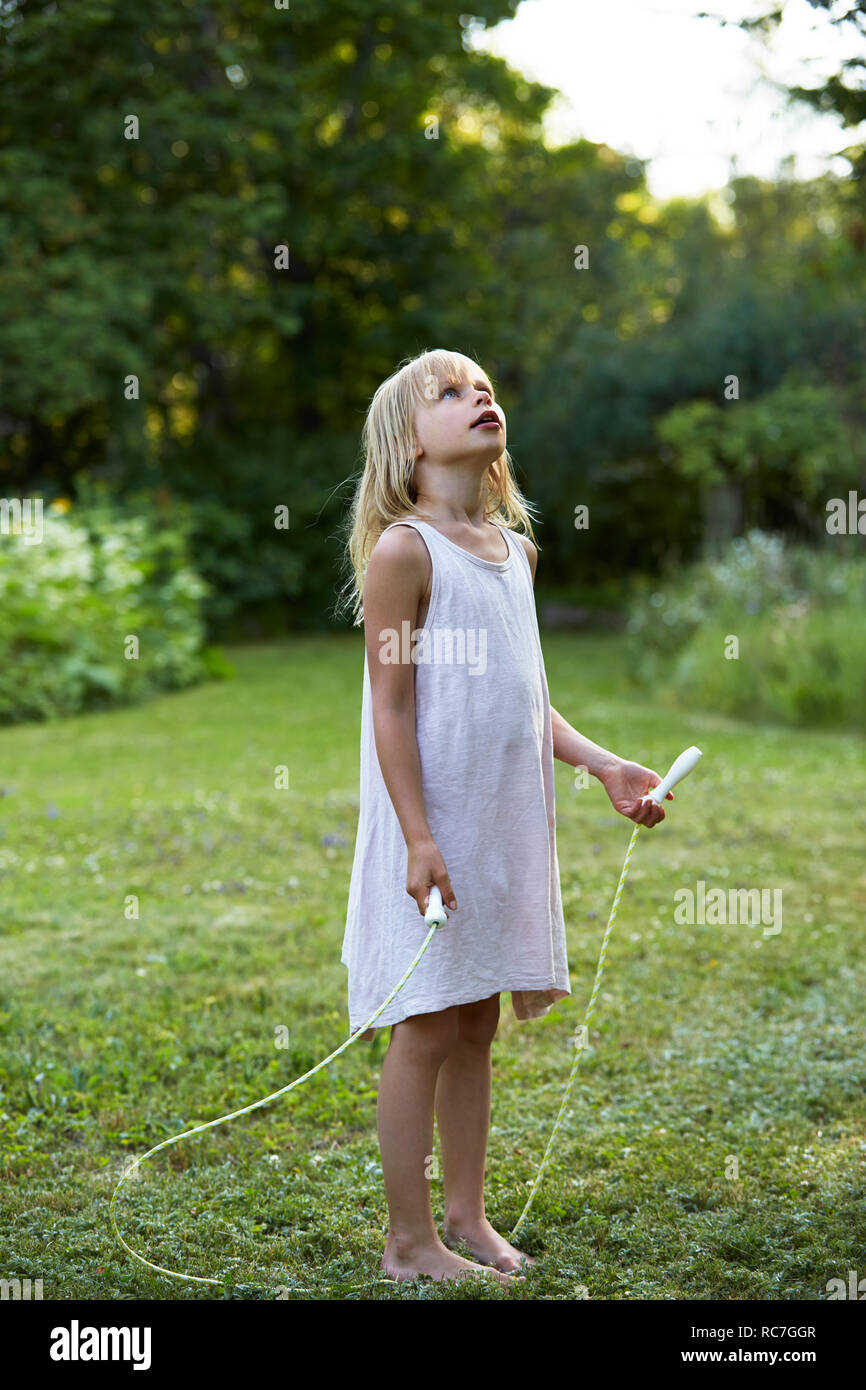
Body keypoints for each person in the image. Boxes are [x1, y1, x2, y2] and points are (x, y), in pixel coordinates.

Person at [335, 348, 672, 1287]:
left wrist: (601, 763)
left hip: (497, 821)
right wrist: (417, 836)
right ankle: (408, 1244)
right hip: (430, 827)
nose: (479, 397)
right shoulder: (406, 552)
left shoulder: (515, 552)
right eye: (451, 392)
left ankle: (466, 1217)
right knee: (429, 1025)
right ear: (408, 444)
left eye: (485, 387)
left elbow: (529, 698)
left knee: (476, 1018)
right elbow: (390, 709)